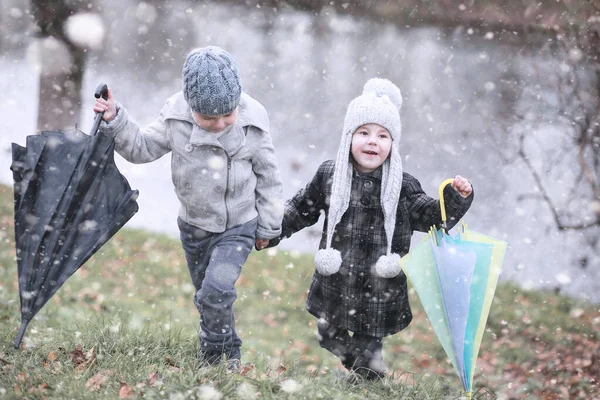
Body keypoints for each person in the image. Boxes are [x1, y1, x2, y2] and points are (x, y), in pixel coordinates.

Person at [264, 78, 473, 380]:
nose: (372, 141)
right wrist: (269, 231)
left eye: (383, 135)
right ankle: (366, 371)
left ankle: (367, 378)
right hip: (337, 283)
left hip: (378, 288)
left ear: (393, 143)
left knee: (366, 346)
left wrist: (456, 197)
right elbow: (301, 209)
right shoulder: (330, 175)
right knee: (327, 335)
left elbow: (432, 218)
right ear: (348, 137)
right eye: (363, 132)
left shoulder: (403, 186)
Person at [93, 46, 284, 369]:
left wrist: (268, 226)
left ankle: (220, 359)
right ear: (191, 106)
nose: (220, 123)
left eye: (227, 114)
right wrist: (116, 119)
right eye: (208, 117)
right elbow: (140, 148)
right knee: (209, 298)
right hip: (194, 227)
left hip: (237, 226)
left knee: (216, 289)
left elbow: (269, 178)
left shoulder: (253, 125)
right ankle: (224, 345)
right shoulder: (175, 121)